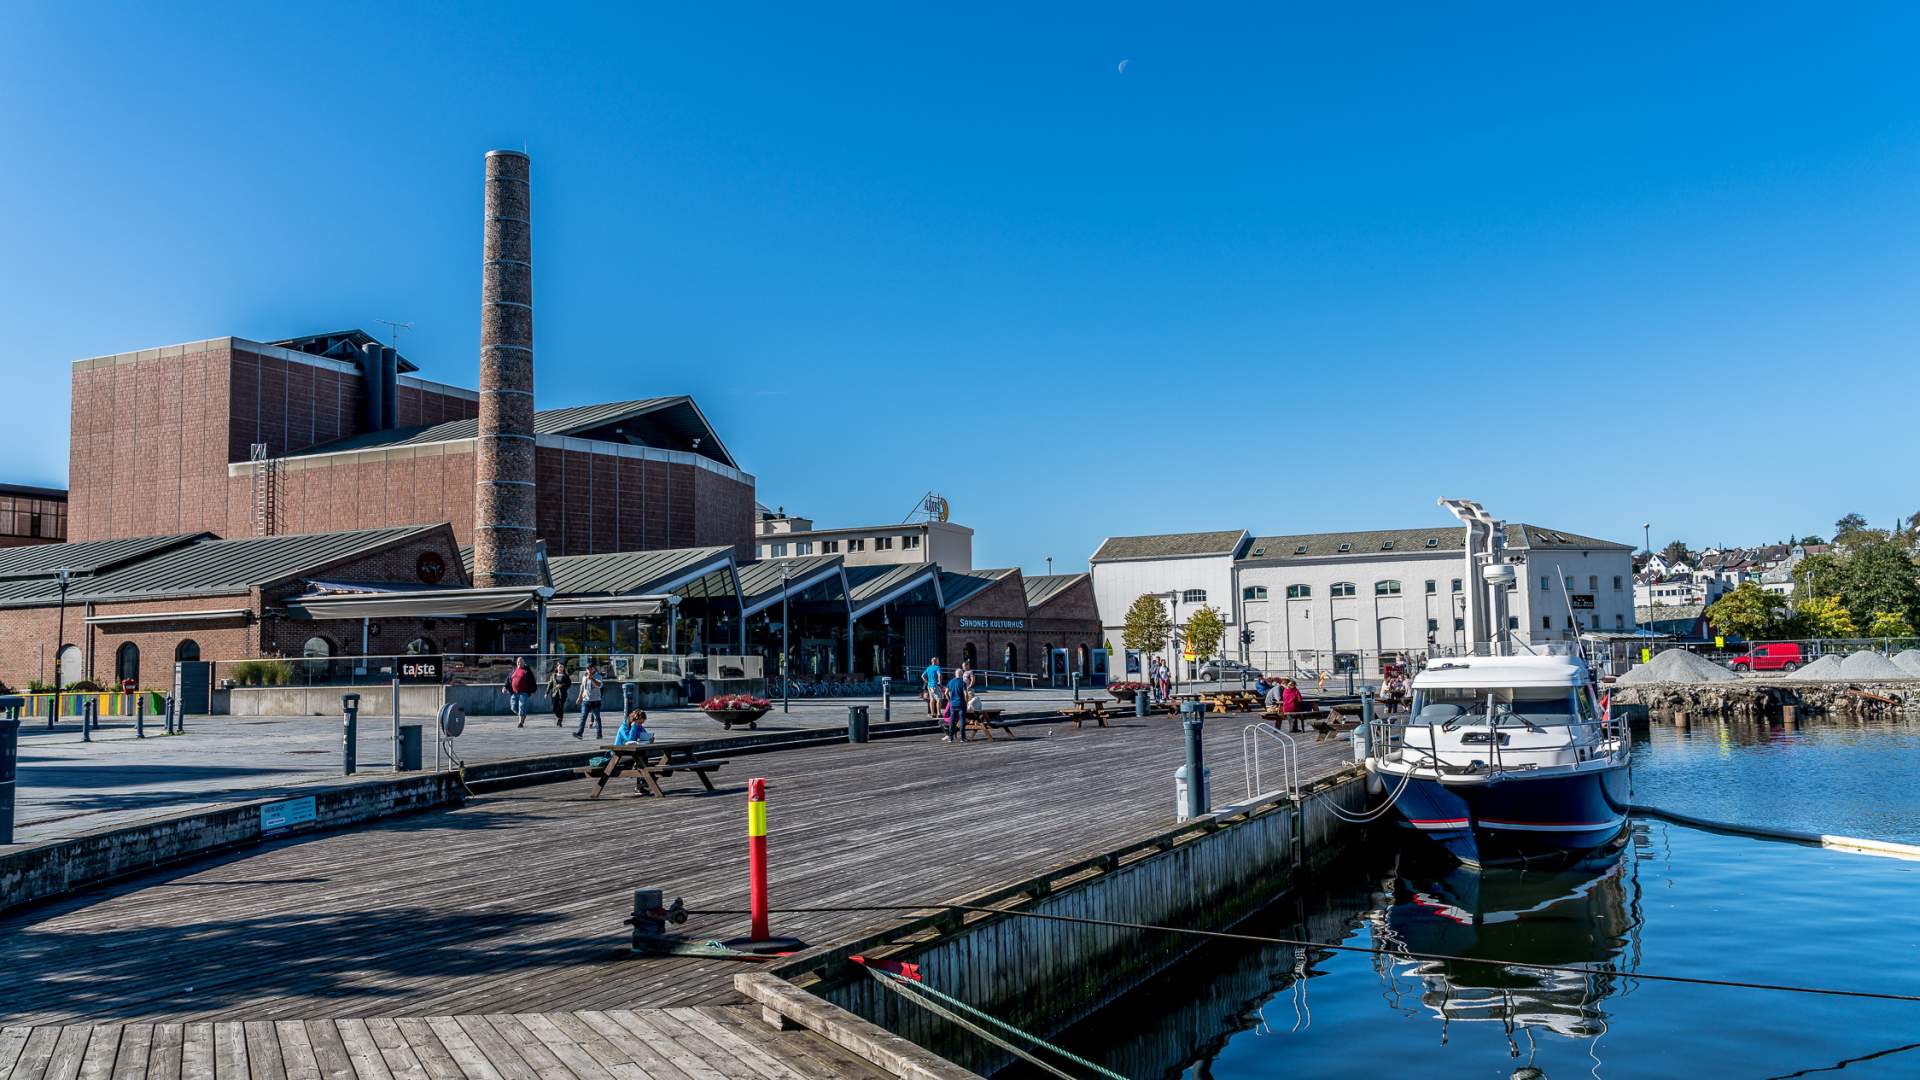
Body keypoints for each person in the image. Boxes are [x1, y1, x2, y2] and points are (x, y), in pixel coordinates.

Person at [574, 661, 606, 740]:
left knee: (597, 718)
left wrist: (591, 678)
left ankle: (599, 734)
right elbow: (582, 687)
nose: (588, 670)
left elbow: (599, 685)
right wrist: (579, 697)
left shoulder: (598, 676)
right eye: (587, 669)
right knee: (583, 717)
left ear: (593, 669)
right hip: (586, 700)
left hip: (595, 701)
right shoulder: (584, 676)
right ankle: (580, 734)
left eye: (590, 669)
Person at [506, 657, 535, 728]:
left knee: (521, 707)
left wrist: (533, 690)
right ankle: (523, 715)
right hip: (514, 693)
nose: (519, 663)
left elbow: (532, 681)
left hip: (524, 693)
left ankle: (520, 723)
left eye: (521, 661)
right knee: (513, 708)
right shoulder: (514, 670)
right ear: (516, 663)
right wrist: (505, 687)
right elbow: (508, 679)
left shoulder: (527, 671)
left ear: (524, 662)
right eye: (518, 662)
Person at [944, 668, 970, 742]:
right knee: (962, 720)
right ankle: (962, 738)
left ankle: (950, 737)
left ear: (955, 674)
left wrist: (950, 700)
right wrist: (966, 702)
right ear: (961, 674)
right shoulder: (962, 682)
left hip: (953, 704)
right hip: (961, 703)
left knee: (952, 721)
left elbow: (946, 693)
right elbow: (966, 694)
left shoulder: (950, 682)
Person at [546, 661, 572, 726]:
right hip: (554, 693)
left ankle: (560, 720)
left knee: (561, 707)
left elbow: (569, 684)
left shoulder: (566, 676)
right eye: (559, 667)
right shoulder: (553, 675)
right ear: (557, 667)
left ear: (563, 668)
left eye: (562, 667)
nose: (560, 668)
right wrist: (546, 692)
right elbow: (550, 684)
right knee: (554, 709)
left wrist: (562, 685)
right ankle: (559, 717)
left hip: (562, 694)